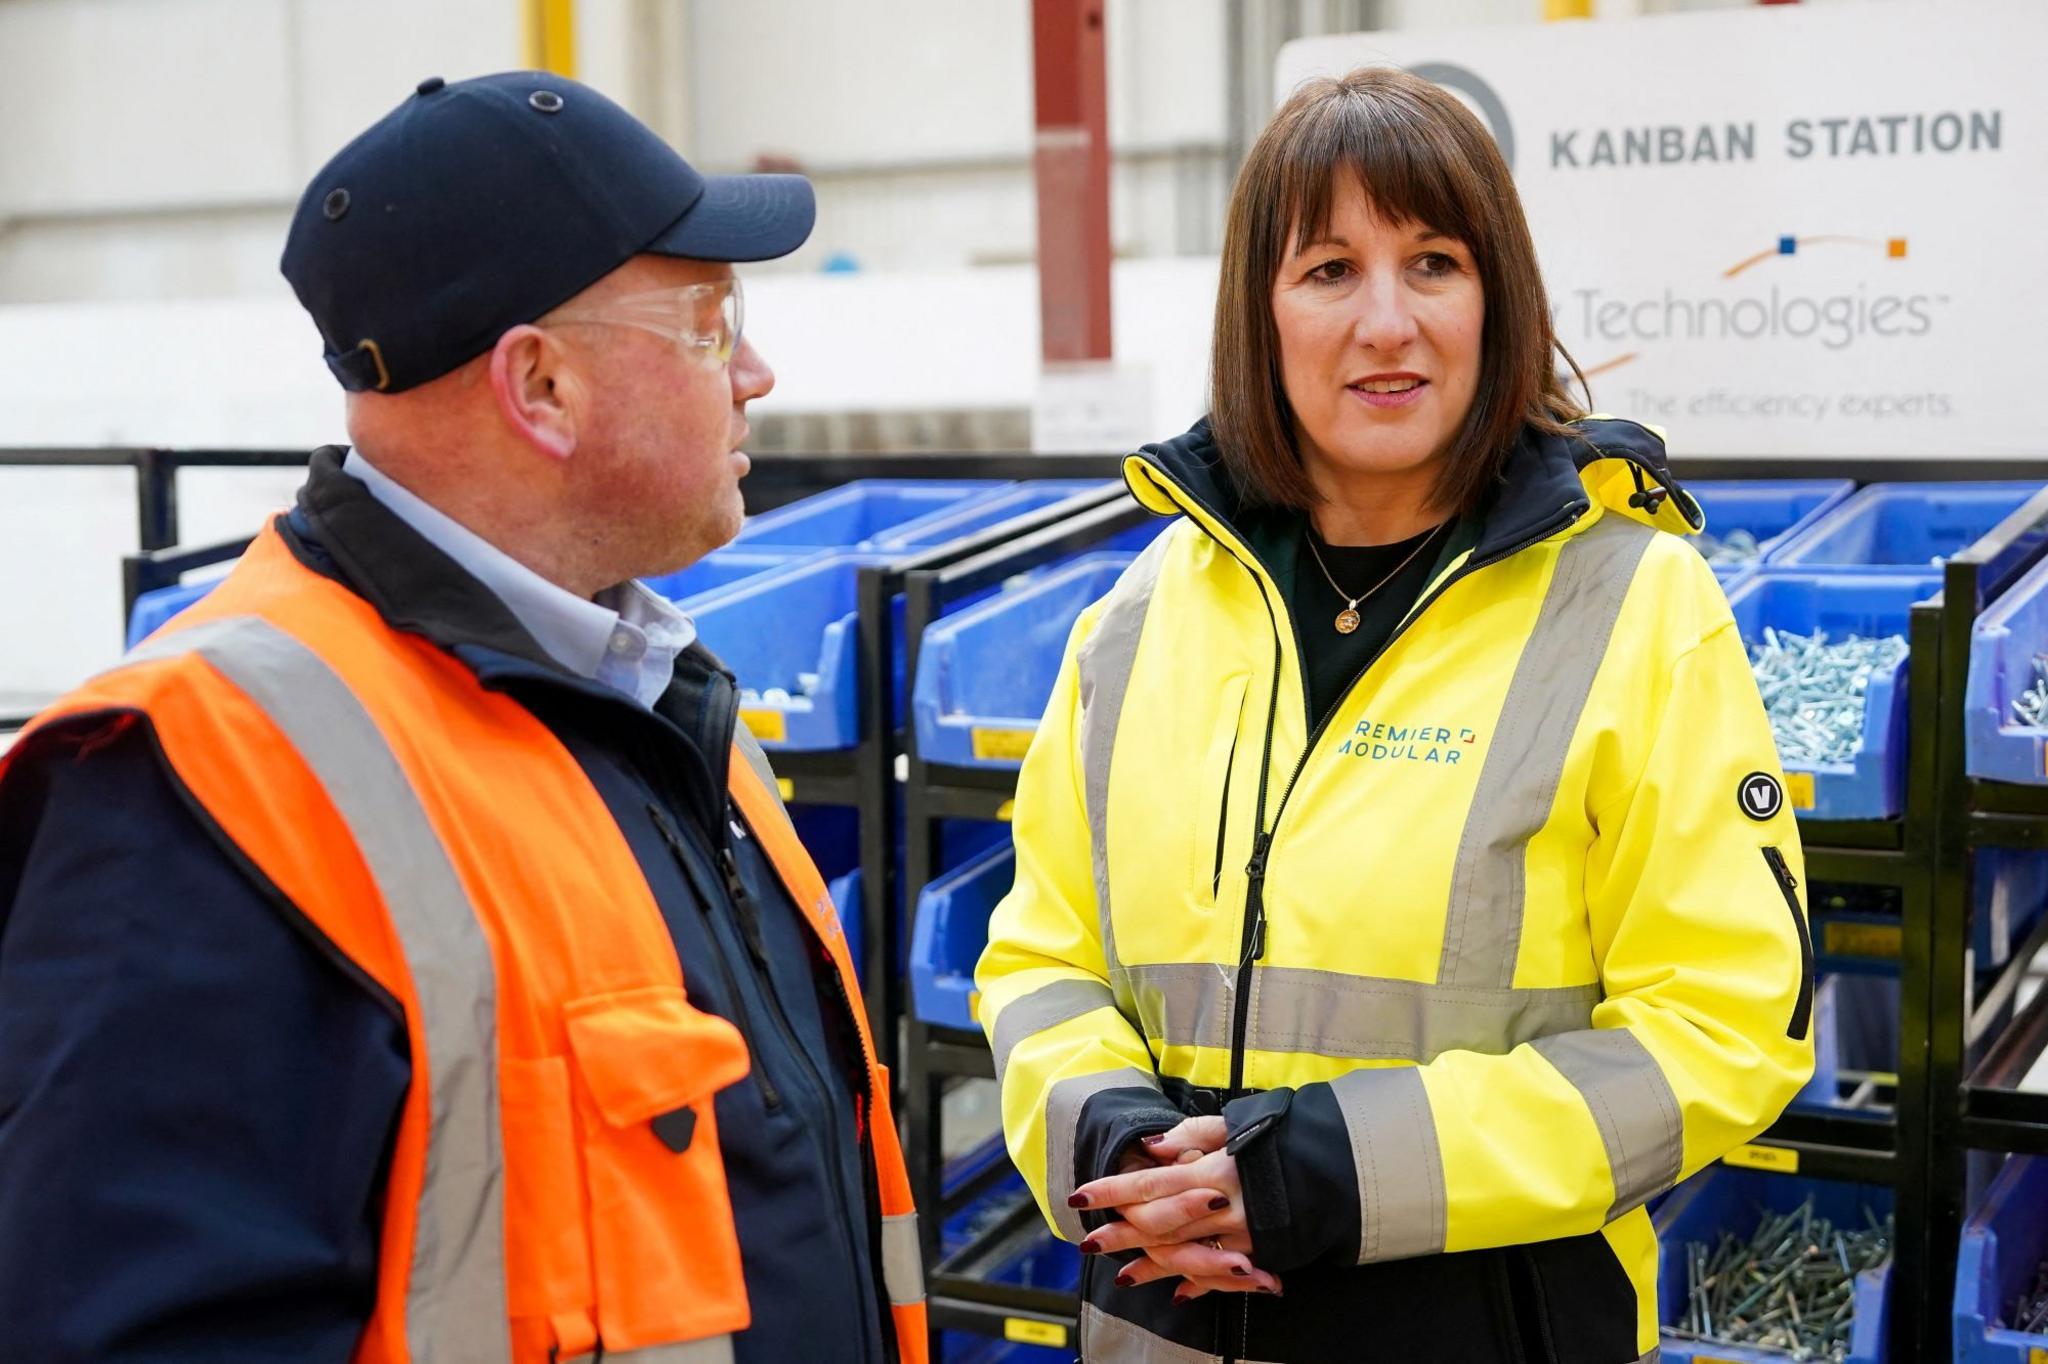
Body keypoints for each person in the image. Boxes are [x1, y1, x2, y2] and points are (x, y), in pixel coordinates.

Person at [0, 72, 926, 1364]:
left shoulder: (657, 692)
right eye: (712, 324)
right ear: (539, 388)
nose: (758, 373)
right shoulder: (196, 788)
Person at [976, 66, 1813, 1363]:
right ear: (1259, 312)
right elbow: (1041, 960)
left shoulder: (1635, 605)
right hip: (1163, 1321)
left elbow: (1723, 1027)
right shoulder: (1142, 617)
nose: (1386, 322)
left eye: (1432, 262)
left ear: (1501, 302)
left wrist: (1329, 1171)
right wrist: (1114, 1139)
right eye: (1326, 270)